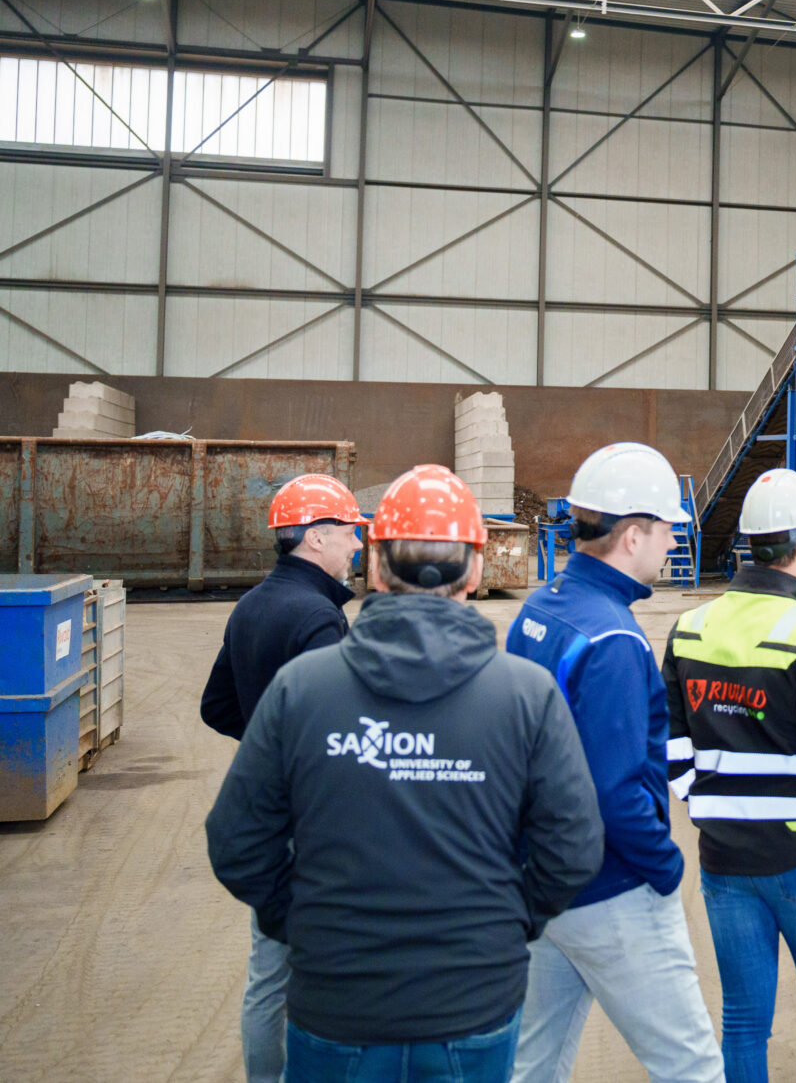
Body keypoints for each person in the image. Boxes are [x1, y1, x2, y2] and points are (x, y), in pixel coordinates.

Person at [207, 464, 604, 1083]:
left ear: (375, 569)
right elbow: (574, 849)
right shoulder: (527, 696)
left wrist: (304, 921)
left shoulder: (301, 690)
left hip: (337, 1007)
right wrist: (507, 924)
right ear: (476, 571)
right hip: (473, 1006)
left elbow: (237, 842)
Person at [506, 444, 724, 1083]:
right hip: (612, 888)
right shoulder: (616, 640)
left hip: (543, 879)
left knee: (531, 1063)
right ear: (632, 535)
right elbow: (616, 792)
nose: (670, 547)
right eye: (665, 533)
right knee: (691, 1068)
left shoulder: (540, 610)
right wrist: (665, 865)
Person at [665, 468, 796, 1083]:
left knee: (744, 1020)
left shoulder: (691, 627)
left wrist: (710, 802)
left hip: (725, 860)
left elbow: (670, 745)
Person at [198, 472, 367, 1083]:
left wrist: (267, 752)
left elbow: (217, 707)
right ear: (318, 537)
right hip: (312, 827)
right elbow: (337, 740)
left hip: (271, 816)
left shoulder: (253, 604)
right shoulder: (319, 620)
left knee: (267, 978)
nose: (356, 546)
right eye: (349, 533)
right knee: (325, 976)